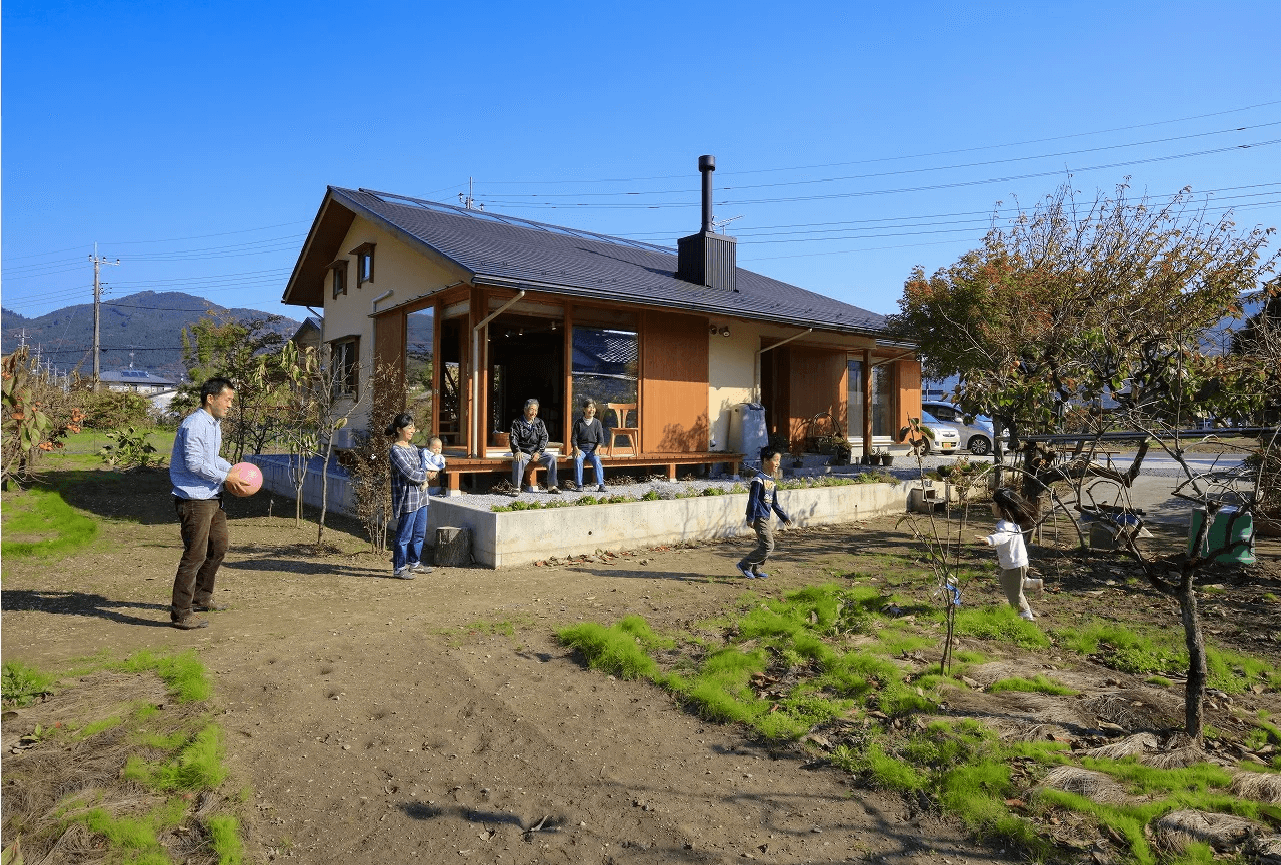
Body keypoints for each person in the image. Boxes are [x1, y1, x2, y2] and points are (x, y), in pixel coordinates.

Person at [169, 376, 253, 630]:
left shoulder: (213, 423)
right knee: (195, 554)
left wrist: (233, 469)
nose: (230, 405)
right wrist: (227, 476)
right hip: (194, 498)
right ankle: (181, 613)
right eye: (227, 400)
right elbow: (195, 464)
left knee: (219, 546)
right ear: (211, 398)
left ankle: (201, 597)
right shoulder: (195, 424)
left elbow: (212, 458)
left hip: (212, 495)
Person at [975, 487, 1040, 621]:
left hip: (1014, 565)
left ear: (1001, 508)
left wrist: (990, 539)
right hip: (1019, 563)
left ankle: (1025, 615)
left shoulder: (1005, 525)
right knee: (1005, 579)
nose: (991, 506)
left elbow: (1003, 537)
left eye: (993, 503)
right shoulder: (1012, 523)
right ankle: (1029, 583)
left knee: (1013, 592)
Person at [387, 413, 434, 579]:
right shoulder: (395, 451)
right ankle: (399, 568)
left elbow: (422, 467)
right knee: (404, 535)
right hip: (407, 499)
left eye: (413, 427)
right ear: (399, 430)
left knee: (419, 533)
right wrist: (426, 476)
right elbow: (409, 474)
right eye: (409, 427)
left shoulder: (414, 448)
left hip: (421, 497)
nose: (413, 430)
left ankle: (414, 563)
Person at [736, 445, 792, 580]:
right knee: (768, 545)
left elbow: (774, 503)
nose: (778, 463)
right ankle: (745, 564)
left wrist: (783, 517)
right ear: (766, 460)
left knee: (764, 545)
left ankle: (756, 569)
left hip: (766, 517)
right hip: (758, 517)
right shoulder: (758, 479)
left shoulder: (772, 481)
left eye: (779, 460)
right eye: (775, 460)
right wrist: (750, 517)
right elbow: (753, 500)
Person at [510, 398, 559, 494]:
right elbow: (513, 438)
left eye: (536, 410)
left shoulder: (540, 422)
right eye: (531, 409)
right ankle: (516, 487)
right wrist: (516, 451)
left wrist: (539, 452)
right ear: (525, 410)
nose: (534, 412)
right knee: (518, 459)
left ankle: (552, 486)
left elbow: (544, 438)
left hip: (536, 451)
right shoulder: (517, 422)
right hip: (523, 451)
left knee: (552, 458)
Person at [570, 399, 607, 492]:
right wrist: (576, 449)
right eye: (590, 407)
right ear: (584, 409)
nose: (592, 410)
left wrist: (597, 449)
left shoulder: (597, 423)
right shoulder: (578, 423)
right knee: (578, 460)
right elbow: (573, 439)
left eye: (593, 408)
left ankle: (601, 485)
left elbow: (601, 439)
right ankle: (579, 485)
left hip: (593, 449)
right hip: (581, 449)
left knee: (597, 460)